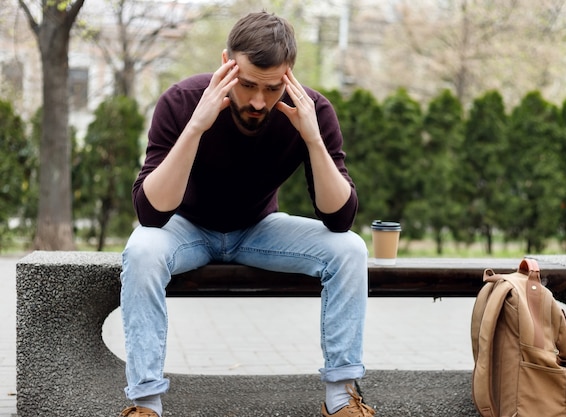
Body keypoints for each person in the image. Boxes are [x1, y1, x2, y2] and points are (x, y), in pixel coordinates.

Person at [118, 11, 375, 417]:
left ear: (289, 76)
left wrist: (312, 137)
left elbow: (339, 218)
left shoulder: (311, 111)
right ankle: (146, 405)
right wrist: (197, 126)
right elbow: (151, 212)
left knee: (350, 250)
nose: (258, 101)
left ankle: (341, 399)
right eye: (248, 83)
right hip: (185, 229)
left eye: (272, 88)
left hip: (260, 230)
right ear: (226, 64)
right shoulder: (182, 101)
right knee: (142, 249)